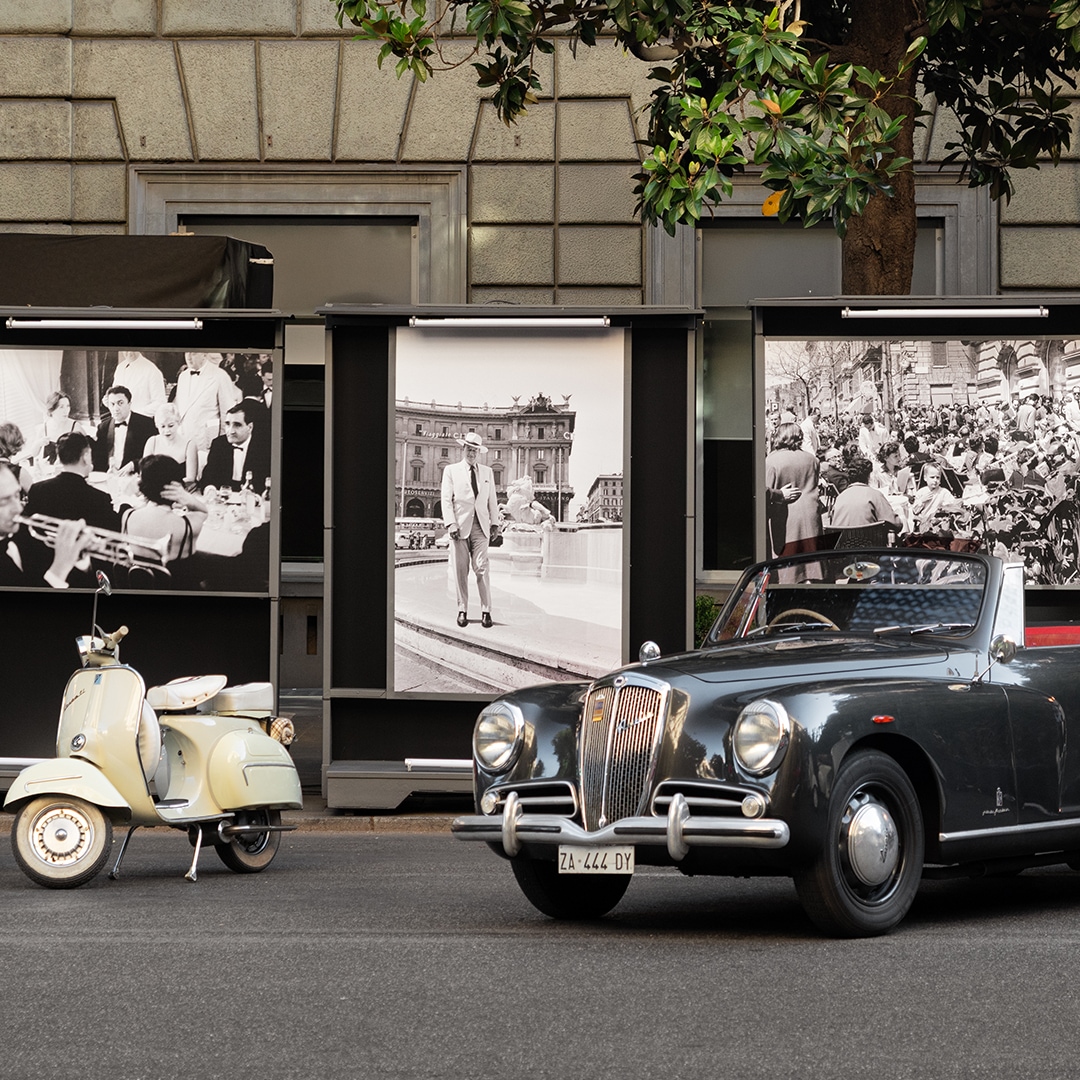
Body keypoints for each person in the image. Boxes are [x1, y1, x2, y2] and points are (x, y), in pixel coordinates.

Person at [441, 432, 500, 628]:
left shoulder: (487, 472)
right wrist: (451, 523)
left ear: (479, 452)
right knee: (460, 571)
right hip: (459, 526)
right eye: (469, 448)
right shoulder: (451, 470)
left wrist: (495, 523)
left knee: (482, 568)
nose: (472, 452)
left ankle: (486, 611)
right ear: (463, 449)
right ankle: (462, 609)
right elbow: (446, 499)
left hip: (481, 526)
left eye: (475, 450)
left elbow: (492, 499)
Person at [0, 461, 87, 588]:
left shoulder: (25, 531)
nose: (18, 508)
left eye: (16, 495)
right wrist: (59, 569)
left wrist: (77, 556)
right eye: (4, 501)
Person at [23, 431, 120, 532]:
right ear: (86, 457)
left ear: (59, 459)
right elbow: (115, 534)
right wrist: (124, 505)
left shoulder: (37, 490)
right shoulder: (99, 499)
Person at [122, 455, 207, 564]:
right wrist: (187, 497)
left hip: (135, 580)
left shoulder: (128, 516)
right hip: (175, 580)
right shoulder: (188, 525)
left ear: (143, 486)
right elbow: (204, 512)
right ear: (177, 487)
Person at [764, 422, 821, 559]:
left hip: (785, 516)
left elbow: (765, 494)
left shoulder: (771, 461)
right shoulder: (812, 460)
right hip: (812, 514)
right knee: (812, 559)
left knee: (789, 562)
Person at [173, 352, 242, 452]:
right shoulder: (182, 376)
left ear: (204, 354)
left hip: (206, 441)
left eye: (193, 353)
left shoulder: (220, 375)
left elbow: (228, 414)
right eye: (186, 352)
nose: (188, 357)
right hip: (183, 439)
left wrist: (222, 444)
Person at [197, 399, 270, 493]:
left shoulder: (264, 448)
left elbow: (268, 484)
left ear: (250, 427)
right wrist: (210, 490)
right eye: (227, 424)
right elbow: (208, 479)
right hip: (223, 501)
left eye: (237, 425)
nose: (230, 431)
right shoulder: (219, 444)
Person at [92, 385, 158, 474]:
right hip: (110, 477)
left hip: (136, 476)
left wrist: (133, 465)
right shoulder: (103, 427)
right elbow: (99, 458)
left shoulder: (146, 424)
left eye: (120, 403)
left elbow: (153, 456)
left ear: (129, 404)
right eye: (112, 404)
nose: (116, 408)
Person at [828, 453, 901, 530]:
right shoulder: (874, 495)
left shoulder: (840, 498)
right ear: (869, 476)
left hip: (845, 541)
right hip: (870, 540)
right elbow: (896, 524)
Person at [141, 402, 199, 487]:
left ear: (178, 423)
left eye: (171, 426)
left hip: (181, 492)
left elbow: (190, 479)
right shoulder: (152, 442)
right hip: (154, 491)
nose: (167, 431)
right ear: (157, 425)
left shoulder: (189, 445)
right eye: (162, 426)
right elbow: (144, 473)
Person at [113, 350, 167, 419]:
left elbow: (160, 402)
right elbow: (115, 394)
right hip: (120, 421)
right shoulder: (120, 368)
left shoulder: (152, 370)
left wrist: (135, 415)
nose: (130, 352)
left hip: (142, 422)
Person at [911, 462, 963, 532]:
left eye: (937, 477)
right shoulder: (921, 492)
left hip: (939, 520)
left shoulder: (943, 492)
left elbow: (953, 504)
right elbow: (915, 511)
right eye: (932, 477)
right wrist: (921, 501)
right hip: (925, 521)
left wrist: (946, 506)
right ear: (925, 478)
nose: (935, 480)